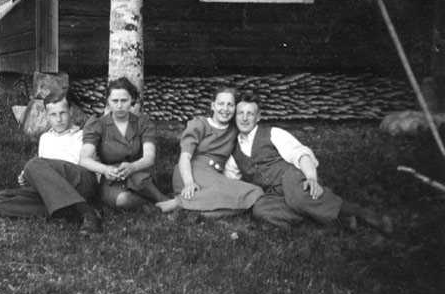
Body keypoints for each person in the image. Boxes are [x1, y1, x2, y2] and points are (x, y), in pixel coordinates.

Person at [224, 94, 393, 232]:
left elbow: (300, 153)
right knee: (261, 210)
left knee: (298, 198)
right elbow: (231, 182)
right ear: (235, 116)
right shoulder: (234, 154)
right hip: (272, 193)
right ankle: (341, 222)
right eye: (240, 113)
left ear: (258, 117)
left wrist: (311, 178)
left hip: (291, 179)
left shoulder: (273, 133)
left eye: (250, 114)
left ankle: (370, 217)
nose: (244, 118)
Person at [0, 93, 101, 235]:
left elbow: (89, 166)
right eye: (53, 115)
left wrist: (35, 170)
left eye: (62, 113)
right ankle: (69, 209)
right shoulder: (45, 138)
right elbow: (46, 177)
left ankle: (86, 212)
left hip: (81, 181)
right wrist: (30, 180)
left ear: (71, 111)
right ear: (47, 116)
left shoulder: (83, 135)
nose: (58, 119)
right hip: (56, 191)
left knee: (33, 164)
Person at [156, 86, 264, 215]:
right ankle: (176, 203)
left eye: (230, 105)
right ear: (213, 106)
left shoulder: (234, 129)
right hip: (190, 173)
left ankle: (203, 214)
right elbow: (185, 157)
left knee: (255, 192)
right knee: (232, 192)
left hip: (215, 178)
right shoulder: (200, 124)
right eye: (221, 104)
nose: (225, 109)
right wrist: (189, 183)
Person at [79, 77, 169, 210]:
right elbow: (84, 159)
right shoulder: (97, 125)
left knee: (140, 180)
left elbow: (149, 157)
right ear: (108, 101)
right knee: (122, 200)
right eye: (115, 101)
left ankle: (163, 200)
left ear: (132, 100)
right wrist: (104, 169)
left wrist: (133, 167)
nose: (119, 106)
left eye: (124, 100)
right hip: (112, 177)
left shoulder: (142, 123)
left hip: (139, 173)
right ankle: (154, 204)